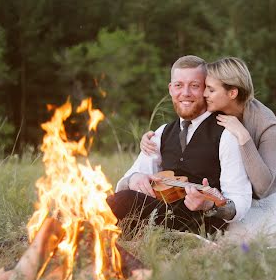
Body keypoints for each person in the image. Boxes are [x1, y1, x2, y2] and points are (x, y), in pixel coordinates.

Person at [141, 56, 276, 241]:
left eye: (211, 89)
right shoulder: (214, 107)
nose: (204, 94)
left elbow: (263, 186)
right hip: (234, 195)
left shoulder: (265, 121)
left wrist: (243, 136)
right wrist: (152, 138)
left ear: (232, 93)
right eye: (205, 87)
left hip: (266, 195)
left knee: (263, 240)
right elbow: (186, 120)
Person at [107, 55, 252, 236]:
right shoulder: (161, 133)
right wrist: (134, 179)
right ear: (170, 89)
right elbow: (131, 175)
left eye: (194, 86)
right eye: (178, 85)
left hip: (203, 223)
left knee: (122, 201)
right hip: (163, 215)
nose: (185, 93)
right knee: (107, 202)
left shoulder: (226, 133)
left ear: (206, 89)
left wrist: (210, 205)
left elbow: (240, 200)